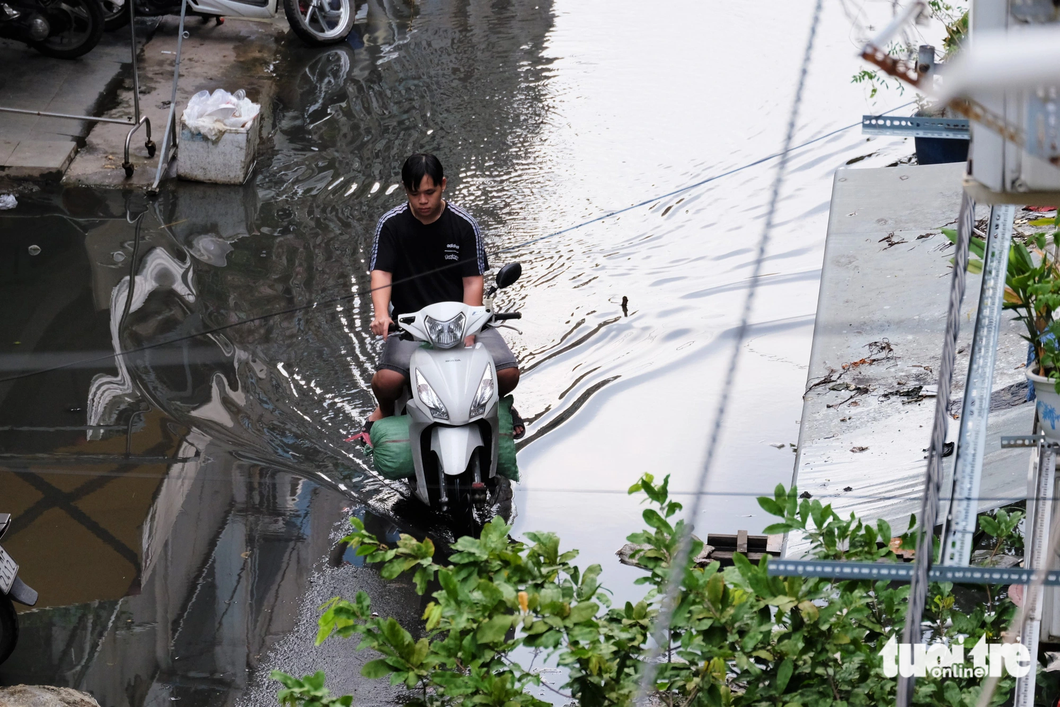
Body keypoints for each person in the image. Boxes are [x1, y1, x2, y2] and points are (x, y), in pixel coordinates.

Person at [365, 153, 524, 436]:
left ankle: (496, 402)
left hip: (462, 321)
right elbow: (381, 274)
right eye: (415, 194)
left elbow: (473, 281)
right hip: (411, 326)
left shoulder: (464, 226)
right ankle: (386, 411)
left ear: (443, 185)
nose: (423, 201)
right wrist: (380, 315)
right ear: (405, 190)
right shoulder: (390, 225)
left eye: (430, 192)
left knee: (508, 373)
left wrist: (469, 328)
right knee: (387, 381)